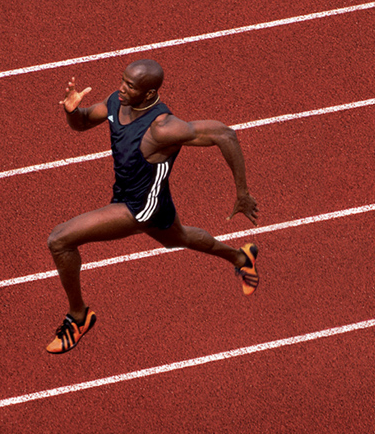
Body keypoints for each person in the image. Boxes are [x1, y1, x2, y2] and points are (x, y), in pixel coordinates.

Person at [46, 59, 260, 354]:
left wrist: (242, 193)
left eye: (130, 86)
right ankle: (241, 257)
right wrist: (70, 111)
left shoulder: (163, 128)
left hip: (140, 207)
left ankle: (79, 316)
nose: (121, 88)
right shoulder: (116, 102)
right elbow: (82, 122)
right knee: (179, 238)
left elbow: (225, 134)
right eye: (122, 81)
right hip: (140, 196)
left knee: (60, 240)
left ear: (148, 94)